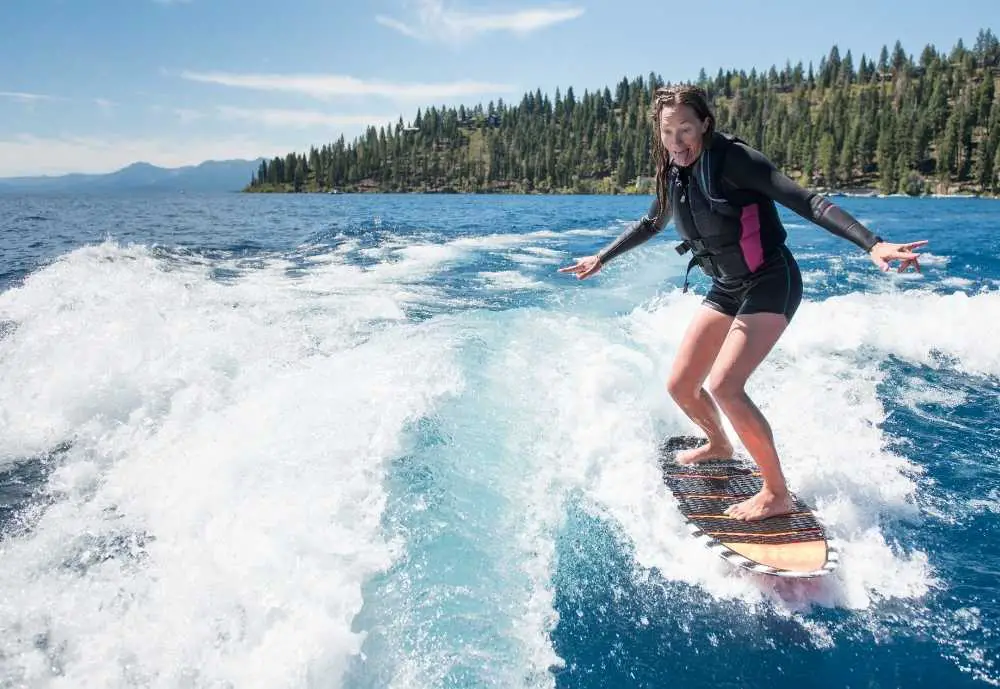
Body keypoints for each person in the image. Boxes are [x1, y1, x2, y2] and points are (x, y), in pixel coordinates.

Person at [558, 84, 927, 521]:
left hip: (771, 280)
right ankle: (718, 443)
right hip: (727, 286)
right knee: (681, 385)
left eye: (686, 130)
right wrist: (603, 256)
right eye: (667, 131)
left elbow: (806, 201)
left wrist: (873, 244)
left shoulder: (734, 160)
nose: (677, 142)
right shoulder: (672, 168)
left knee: (725, 386)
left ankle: (776, 493)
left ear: (705, 125)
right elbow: (654, 221)